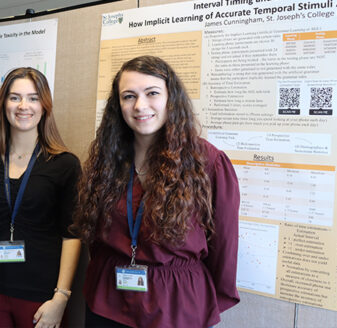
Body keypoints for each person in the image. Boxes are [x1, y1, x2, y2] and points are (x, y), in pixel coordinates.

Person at [72, 56, 240, 328]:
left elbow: (224, 246)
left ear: (171, 98)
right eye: (129, 96)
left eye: (152, 93)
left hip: (175, 305)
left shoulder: (207, 162)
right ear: (118, 105)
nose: (140, 106)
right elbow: (95, 234)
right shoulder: (108, 157)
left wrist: (202, 299)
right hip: (108, 301)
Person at [0, 67, 82, 328]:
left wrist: (61, 297)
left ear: (45, 105)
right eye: (15, 97)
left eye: (33, 98)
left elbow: (71, 235)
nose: (23, 106)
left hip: (41, 295)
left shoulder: (64, 164)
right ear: (3, 103)